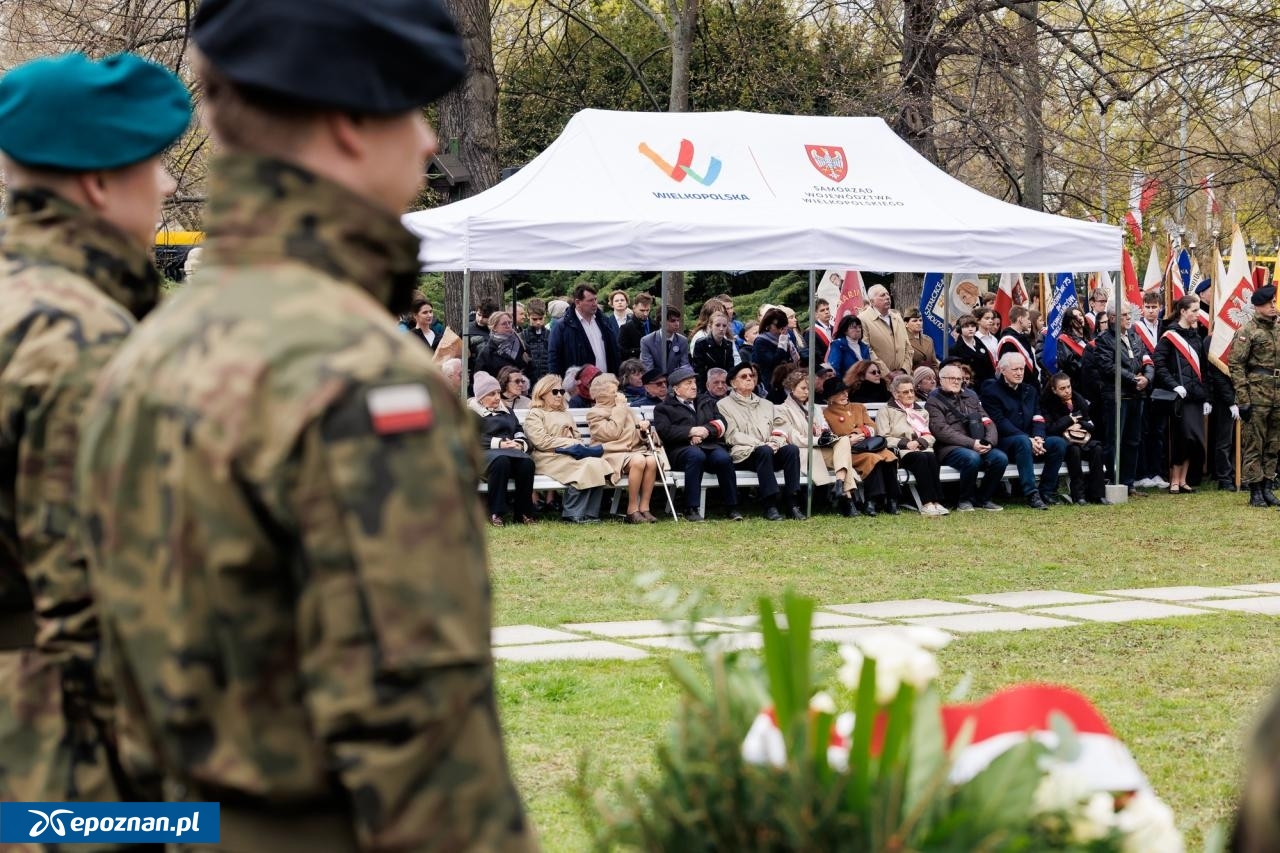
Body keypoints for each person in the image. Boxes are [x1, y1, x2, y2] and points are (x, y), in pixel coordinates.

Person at [74, 2, 534, 848]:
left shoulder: (144, 353)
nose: (430, 144)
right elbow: (427, 756)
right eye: (409, 110)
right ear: (350, 126)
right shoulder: (357, 378)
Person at [0, 50, 190, 817]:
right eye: (154, 163)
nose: (171, 185)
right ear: (99, 182)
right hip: (61, 767)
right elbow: (103, 607)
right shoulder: (82, 342)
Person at [716, 363, 805, 521]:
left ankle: (793, 503)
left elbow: (781, 426)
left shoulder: (766, 404)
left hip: (771, 450)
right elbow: (731, 435)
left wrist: (776, 442)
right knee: (764, 451)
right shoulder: (723, 405)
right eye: (744, 377)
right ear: (733, 383)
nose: (749, 378)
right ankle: (770, 505)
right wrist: (760, 444)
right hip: (744, 454)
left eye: (751, 375)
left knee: (791, 450)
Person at [653, 364, 742, 521]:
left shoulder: (706, 401)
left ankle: (732, 507)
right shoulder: (664, 408)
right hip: (680, 450)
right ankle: (691, 508)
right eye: (688, 383)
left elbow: (721, 423)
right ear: (676, 389)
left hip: (709, 445)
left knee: (724, 459)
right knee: (695, 456)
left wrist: (705, 431)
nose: (694, 386)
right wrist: (690, 432)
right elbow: (665, 432)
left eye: (694, 382)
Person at [981, 353, 1067, 509]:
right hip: (1006, 442)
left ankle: (1046, 491)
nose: (1020, 373)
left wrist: (1039, 437)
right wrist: (1028, 439)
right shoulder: (991, 390)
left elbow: (1038, 416)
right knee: (1022, 442)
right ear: (1003, 370)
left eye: (1021, 369)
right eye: (1015, 369)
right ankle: (1031, 493)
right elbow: (1000, 422)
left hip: (1031, 440)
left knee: (1058, 443)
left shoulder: (1030, 390)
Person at [1155, 293, 1222, 493]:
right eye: (1194, 311)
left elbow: (1203, 369)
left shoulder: (1196, 336)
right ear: (1183, 312)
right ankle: (1174, 479)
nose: (1197, 314)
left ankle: (1184, 479)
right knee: (1183, 438)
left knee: (1195, 441)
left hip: (1196, 396)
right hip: (1179, 397)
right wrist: (1174, 385)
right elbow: (1158, 363)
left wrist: (1207, 397)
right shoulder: (1169, 335)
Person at [524, 375, 612, 523]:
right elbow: (542, 442)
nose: (559, 395)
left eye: (561, 391)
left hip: (568, 456)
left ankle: (590, 514)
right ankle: (572, 514)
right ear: (542, 393)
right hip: (547, 457)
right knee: (585, 467)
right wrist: (568, 442)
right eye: (555, 392)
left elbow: (577, 439)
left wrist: (572, 444)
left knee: (597, 465)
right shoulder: (535, 414)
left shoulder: (565, 414)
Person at [772, 368, 859, 515]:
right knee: (844, 458)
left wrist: (826, 436)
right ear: (792, 387)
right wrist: (819, 440)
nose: (807, 392)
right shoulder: (782, 409)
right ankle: (848, 499)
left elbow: (825, 429)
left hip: (820, 449)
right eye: (803, 388)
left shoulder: (816, 408)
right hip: (801, 452)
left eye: (809, 388)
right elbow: (793, 438)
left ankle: (839, 484)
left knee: (843, 441)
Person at [1085, 308, 1152, 494]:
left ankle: (1128, 483)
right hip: (1116, 397)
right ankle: (1112, 482)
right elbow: (1108, 367)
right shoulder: (1104, 340)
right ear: (1113, 318)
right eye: (1124, 315)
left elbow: (1146, 360)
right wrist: (1133, 378)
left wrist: (1147, 378)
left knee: (1133, 441)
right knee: (1114, 441)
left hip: (1137, 396)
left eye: (1129, 314)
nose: (1129, 317)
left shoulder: (1134, 336)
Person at [927, 364, 1008, 511]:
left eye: (959, 378)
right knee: (971, 458)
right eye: (952, 378)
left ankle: (983, 498)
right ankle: (965, 500)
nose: (956, 381)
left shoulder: (971, 396)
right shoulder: (934, 401)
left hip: (978, 443)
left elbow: (987, 421)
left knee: (1000, 458)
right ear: (941, 380)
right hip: (949, 447)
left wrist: (989, 441)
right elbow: (941, 431)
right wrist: (972, 444)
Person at [587, 372, 661, 523]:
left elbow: (637, 435)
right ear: (601, 395)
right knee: (639, 460)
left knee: (652, 460)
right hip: (611, 453)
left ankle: (644, 508)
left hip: (632, 451)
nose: (617, 395)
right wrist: (620, 409)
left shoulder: (626, 410)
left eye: (617, 391)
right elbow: (611, 433)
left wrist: (642, 428)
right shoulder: (595, 413)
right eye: (613, 392)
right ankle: (632, 509)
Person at [1230, 285, 1280, 508]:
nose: (1273, 306)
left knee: (1274, 443)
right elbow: (1236, 365)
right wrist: (1243, 399)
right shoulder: (1247, 331)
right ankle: (1255, 490)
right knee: (1254, 443)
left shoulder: (1278, 330)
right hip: (1256, 393)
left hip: (1277, 395)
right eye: (1269, 303)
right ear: (1258, 306)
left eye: (1274, 302)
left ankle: (1268, 486)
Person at [823, 376, 900, 515]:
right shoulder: (826, 414)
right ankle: (872, 500)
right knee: (871, 459)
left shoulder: (859, 407)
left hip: (868, 445)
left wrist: (859, 432)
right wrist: (848, 439)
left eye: (845, 391)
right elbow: (828, 436)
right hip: (848, 452)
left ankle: (892, 500)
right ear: (830, 397)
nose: (845, 395)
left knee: (889, 456)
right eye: (839, 393)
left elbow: (872, 426)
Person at [471, 371, 537, 526]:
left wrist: (520, 443)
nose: (497, 397)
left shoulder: (507, 411)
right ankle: (496, 512)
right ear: (480, 397)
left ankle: (523, 513)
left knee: (527, 463)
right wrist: (499, 443)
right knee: (501, 461)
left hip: (510, 451)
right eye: (491, 394)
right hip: (484, 455)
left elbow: (518, 430)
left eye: (498, 393)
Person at [877, 375, 949, 516]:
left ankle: (937, 502)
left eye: (911, 391)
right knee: (921, 458)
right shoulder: (885, 411)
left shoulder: (921, 411)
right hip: (900, 452)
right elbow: (883, 438)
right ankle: (927, 503)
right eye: (905, 392)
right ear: (895, 394)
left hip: (922, 448)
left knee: (931, 457)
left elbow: (929, 435)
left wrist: (919, 442)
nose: (910, 395)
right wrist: (906, 443)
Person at [1041, 372, 1108, 505]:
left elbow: (1092, 426)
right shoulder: (1047, 403)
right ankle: (1079, 496)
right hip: (1063, 443)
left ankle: (1098, 494)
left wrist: (1081, 424)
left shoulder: (1078, 400)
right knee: (1074, 451)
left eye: (1068, 387)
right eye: (1062, 388)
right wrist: (1069, 420)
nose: (1067, 391)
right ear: (1054, 390)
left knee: (1097, 449)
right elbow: (1050, 429)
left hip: (1083, 439)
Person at [548, 283, 620, 377]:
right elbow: (554, 359)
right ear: (578, 302)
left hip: (606, 382)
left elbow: (614, 350)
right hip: (579, 385)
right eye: (590, 300)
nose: (595, 303)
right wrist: (557, 384)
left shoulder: (604, 321)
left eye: (595, 299)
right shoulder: (562, 327)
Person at [858, 284, 912, 374]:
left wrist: (904, 370)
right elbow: (866, 350)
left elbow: (908, 346)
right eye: (882, 295)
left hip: (902, 377)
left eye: (887, 294)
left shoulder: (897, 317)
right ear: (872, 301)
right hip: (879, 378)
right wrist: (886, 373)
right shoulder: (862, 319)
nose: (887, 297)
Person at [692, 311, 740, 392]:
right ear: (710, 326)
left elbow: (730, 368)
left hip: (724, 385)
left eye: (724, 326)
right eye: (717, 325)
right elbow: (699, 371)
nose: (721, 329)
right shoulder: (701, 344)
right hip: (706, 387)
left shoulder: (728, 345)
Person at [996, 305, 1043, 388]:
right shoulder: (1008, 341)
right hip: (1020, 387)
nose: (1029, 322)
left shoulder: (1021, 336)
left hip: (1029, 386)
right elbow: (1009, 369)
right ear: (1020, 319)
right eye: (1027, 318)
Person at [475, 309, 532, 377]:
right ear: (494, 327)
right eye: (504, 324)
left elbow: (532, 370)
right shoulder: (487, 352)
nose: (508, 326)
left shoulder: (523, 346)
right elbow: (480, 377)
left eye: (509, 322)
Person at [949, 314, 994, 388]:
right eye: (966, 326)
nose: (970, 329)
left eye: (972, 326)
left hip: (987, 385)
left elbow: (989, 366)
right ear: (959, 329)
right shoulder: (955, 349)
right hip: (969, 387)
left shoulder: (980, 343)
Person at [826, 314, 872, 380]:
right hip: (846, 386)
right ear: (845, 331)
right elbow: (834, 369)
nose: (858, 330)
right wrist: (842, 387)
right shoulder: (838, 345)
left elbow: (869, 367)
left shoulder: (864, 346)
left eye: (859, 327)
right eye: (854, 327)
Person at [618, 292, 654, 361]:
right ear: (634, 308)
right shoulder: (626, 328)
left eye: (648, 310)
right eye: (642, 310)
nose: (645, 314)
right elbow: (622, 353)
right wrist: (643, 349)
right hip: (636, 367)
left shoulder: (656, 325)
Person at [522, 297, 550, 384]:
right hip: (528, 381)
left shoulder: (551, 335)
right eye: (534, 319)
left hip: (547, 381)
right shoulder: (522, 336)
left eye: (540, 319)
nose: (538, 322)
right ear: (528, 316)